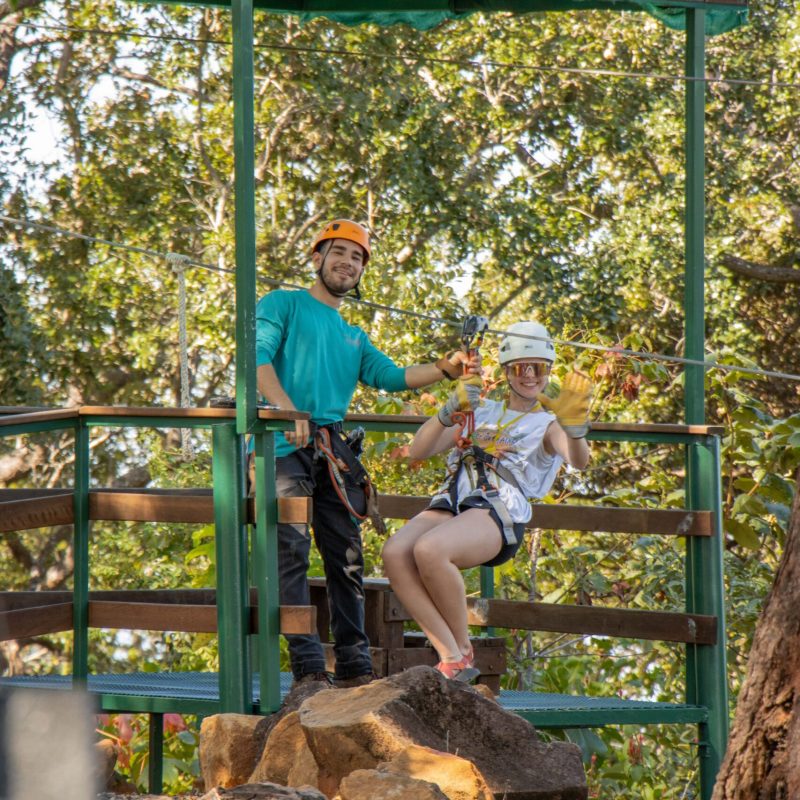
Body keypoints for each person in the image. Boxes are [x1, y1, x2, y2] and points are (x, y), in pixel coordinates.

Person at [255, 219, 477, 689]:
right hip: (283, 445)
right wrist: (287, 410)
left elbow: (392, 376)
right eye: (339, 253)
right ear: (316, 258)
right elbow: (256, 357)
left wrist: (444, 368)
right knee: (290, 550)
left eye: (356, 258)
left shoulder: (352, 335)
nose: (347, 263)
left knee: (347, 557)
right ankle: (308, 667)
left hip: (332, 451)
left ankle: (355, 666)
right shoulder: (283, 305)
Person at [382, 320, 593, 681]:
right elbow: (419, 449)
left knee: (430, 550)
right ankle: (449, 654)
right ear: (507, 372)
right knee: (395, 552)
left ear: (548, 372)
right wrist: (449, 411)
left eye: (538, 368)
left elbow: (578, 460)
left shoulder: (547, 424)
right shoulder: (481, 410)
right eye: (520, 368)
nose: (529, 376)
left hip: (498, 510)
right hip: (454, 500)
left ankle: (462, 651)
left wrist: (575, 431)